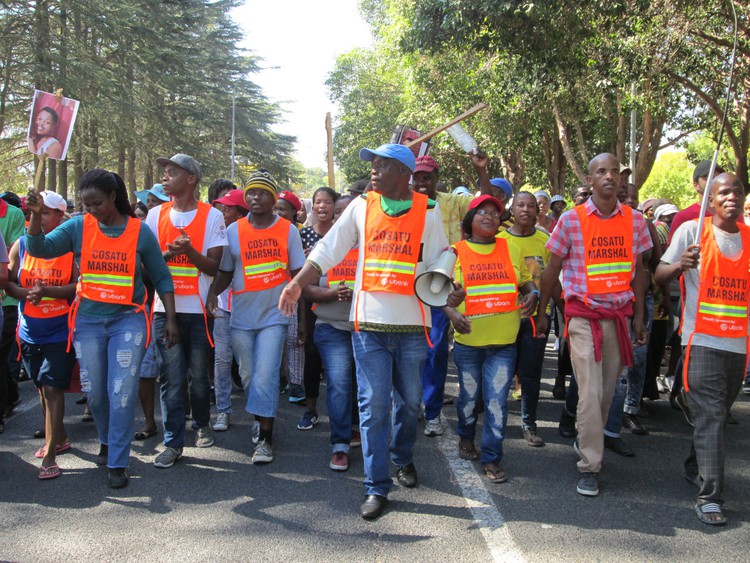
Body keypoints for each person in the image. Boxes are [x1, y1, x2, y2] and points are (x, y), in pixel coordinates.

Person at [279, 143, 449, 521]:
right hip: (368, 325)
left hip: (411, 325)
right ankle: (376, 485)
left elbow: (441, 256)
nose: (373, 171)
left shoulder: (429, 212)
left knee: (408, 404)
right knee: (373, 405)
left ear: (404, 175)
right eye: (372, 165)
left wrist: (445, 280)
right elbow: (326, 250)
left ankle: (402, 456)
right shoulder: (360, 207)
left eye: (382, 165)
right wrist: (296, 284)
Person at [26, 170, 178, 488]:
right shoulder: (79, 226)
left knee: (120, 393)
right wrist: (36, 218)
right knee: (95, 393)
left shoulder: (139, 231)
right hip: (89, 321)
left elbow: (162, 277)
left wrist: (172, 319)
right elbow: (40, 249)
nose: (91, 209)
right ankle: (108, 438)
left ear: (113, 196)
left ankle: (117, 461)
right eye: (85, 204)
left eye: (96, 203)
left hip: (128, 321)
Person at [535, 153, 651, 497]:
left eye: (615, 171)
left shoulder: (635, 221)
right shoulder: (570, 220)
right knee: (589, 392)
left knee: (605, 393)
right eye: (602, 171)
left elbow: (641, 271)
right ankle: (589, 465)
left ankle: (589, 442)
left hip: (618, 318)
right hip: (583, 318)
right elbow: (551, 270)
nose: (610, 176)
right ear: (590, 180)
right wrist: (542, 313)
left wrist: (641, 317)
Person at [655, 172, 748, 526]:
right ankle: (710, 497)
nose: (731, 198)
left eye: (738, 192)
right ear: (711, 200)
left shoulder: (749, 239)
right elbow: (660, 274)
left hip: (738, 345)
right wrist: (681, 265)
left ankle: (695, 464)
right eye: (724, 192)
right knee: (711, 417)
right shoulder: (692, 231)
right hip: (701, 341)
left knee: (717, 417)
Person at [207, 170, 305, 464]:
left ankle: (265, 437)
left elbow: (299, 272)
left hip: (275, 316)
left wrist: (297, 306)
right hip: (242, 317)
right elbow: (226, 269)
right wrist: (213, 292)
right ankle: (259, 413)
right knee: (248, 374)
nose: (255, 197)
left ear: (273, 198)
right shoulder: (234, 230)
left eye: (262, 192)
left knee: (266, 373)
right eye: (250, 192)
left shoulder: (288, 230)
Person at [445, 195, 537, 483]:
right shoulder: (454, 252)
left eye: (495, 213)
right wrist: (451, 314)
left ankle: (492, 457)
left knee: (497, 402)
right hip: (469, 344)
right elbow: (438, 293)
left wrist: (533, 293)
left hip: (504, 343)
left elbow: (526, 280)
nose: (489, 217)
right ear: (469, 220)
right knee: (469, 399)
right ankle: (465, 438)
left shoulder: (510, 248)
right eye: (482, 212)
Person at [146, 153, 227, 468]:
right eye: (164, 172)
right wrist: (168, 253)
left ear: (191, 179)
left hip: (196, 310)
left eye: (172, 172)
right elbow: (147, 266)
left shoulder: (212, 216)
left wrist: (189, 250)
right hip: (163, 310)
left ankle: (202, 422)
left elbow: (213, 265)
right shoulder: (154, 215)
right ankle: (173, 443)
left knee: (197, 375)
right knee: (171, 377)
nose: (165, 176)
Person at [410, 151, 491, 438]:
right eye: (416, 177)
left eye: (427, 178)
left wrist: (481, 170)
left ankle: (431, 412)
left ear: (437, 179)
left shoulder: (453, 202)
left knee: (435, 352)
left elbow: (485, 202)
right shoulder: (404, 205)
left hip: (443, 287)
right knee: (409, 352)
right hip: (407, 288)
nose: (422, 183)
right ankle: (410, 406)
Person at [5, 191, 76, 479]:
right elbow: (9, 283)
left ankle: (49, 456)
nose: (40, 217)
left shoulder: (70, 248)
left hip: (61, 330)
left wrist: (48, 292)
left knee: (52, 388)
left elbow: (76, 287)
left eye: (46, 212)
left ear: (61, 216)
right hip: (29, 331)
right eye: (36, 212)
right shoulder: (20, 246)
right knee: (40, 385)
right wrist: (26, 293)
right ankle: (59, 436)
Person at [499, 192, 560, 447]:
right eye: (520, 205)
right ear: (511, 209)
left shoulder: (545, 239)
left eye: (531, 206)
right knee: (501, 374)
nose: (525, 209)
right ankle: (497, 422)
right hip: (503, 318)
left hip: (534, 318)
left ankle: (529, 423)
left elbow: (550, 279)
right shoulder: (499, 240)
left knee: (531, 373)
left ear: (538, 211)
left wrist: (546, 311)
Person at [303, 194, 360, 470]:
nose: (343, 217)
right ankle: (340, 445)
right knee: (339, 382)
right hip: (330, 328)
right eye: (339, 212)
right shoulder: (324, 247)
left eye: (350, 212)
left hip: (366, 329)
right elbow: (305, 288)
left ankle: (356, 427)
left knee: (364, 386)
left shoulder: (374, 247)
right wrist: (330, 294)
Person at [297, 187, 339, 431]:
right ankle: (310, 408)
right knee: (311, 358)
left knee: (339, 366)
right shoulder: (304, 235)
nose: (321, 207)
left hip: (341, 304)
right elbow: (299, 278)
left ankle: (341, 413)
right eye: (317, 202)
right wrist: (303, 320)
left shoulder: (344, 234)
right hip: (312, 304)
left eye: (327, 202)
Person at [209, 189, 248, 433]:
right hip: (223, 307)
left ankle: (259, 416)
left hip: (248, 309)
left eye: (227, 209)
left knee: (248, 367)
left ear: (241, 212)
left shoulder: (250, 233)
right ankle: (223, 410)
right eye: (221, 208)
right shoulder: (216, 234)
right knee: (222, 360)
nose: (222, 213)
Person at [273, 190, 306, 403]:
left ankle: (296, 383)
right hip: (271, 296)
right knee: (276, 340)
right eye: (275, 208)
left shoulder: (300, 234)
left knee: (294, 340)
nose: (278, 213)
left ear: (294, 212)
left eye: (282, 209)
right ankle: (279, 378)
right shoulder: (268, 230)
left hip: (294, 295)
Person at [0, 187, 26, 430]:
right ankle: (11, 395)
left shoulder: (14, 214)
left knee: (3, 352)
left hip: (7, 299)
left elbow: (13, 252)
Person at [668, 160, 724, 244]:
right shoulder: (683, 217)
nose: (714, 181)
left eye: (717, 177)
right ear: (696, 185)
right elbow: (672, 255)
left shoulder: (734, 214)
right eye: (707, 178)